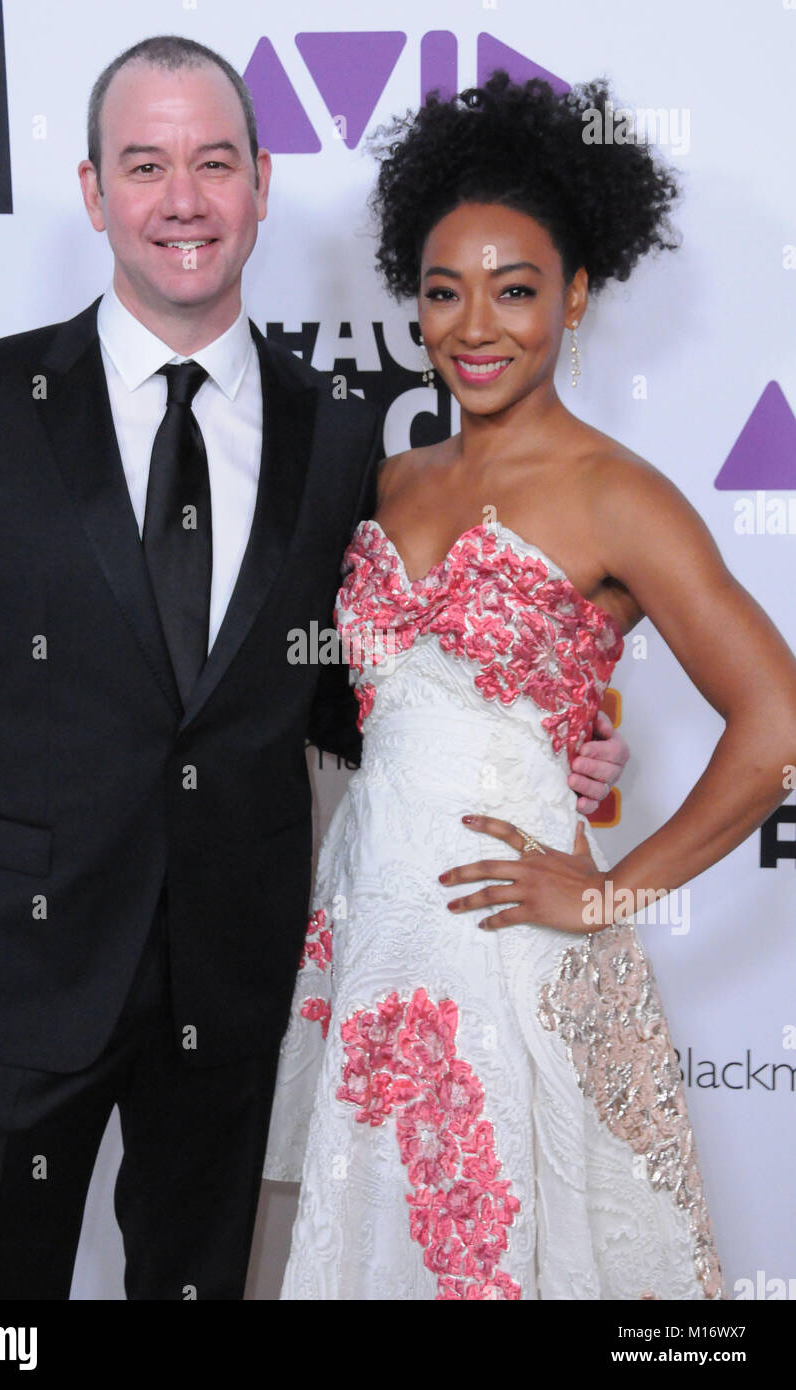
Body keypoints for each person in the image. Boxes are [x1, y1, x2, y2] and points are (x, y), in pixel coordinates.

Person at [0, 42, 626, 1301]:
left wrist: (536, 728)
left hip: (232, 979)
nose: (183, 198)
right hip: (18, 977)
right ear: (91, 189)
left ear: (263, 181)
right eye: (146, 165)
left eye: (213, 161)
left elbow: (350, 689)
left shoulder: (336, 431)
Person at [265, 72, 796, 1300]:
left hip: (520, 948)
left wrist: (612, 893)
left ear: (577, 294)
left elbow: (777, 718)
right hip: (372, 934)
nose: (476, 325)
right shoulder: (390, 480)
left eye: (514, 290)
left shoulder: (620, 491)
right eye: (444, 292)